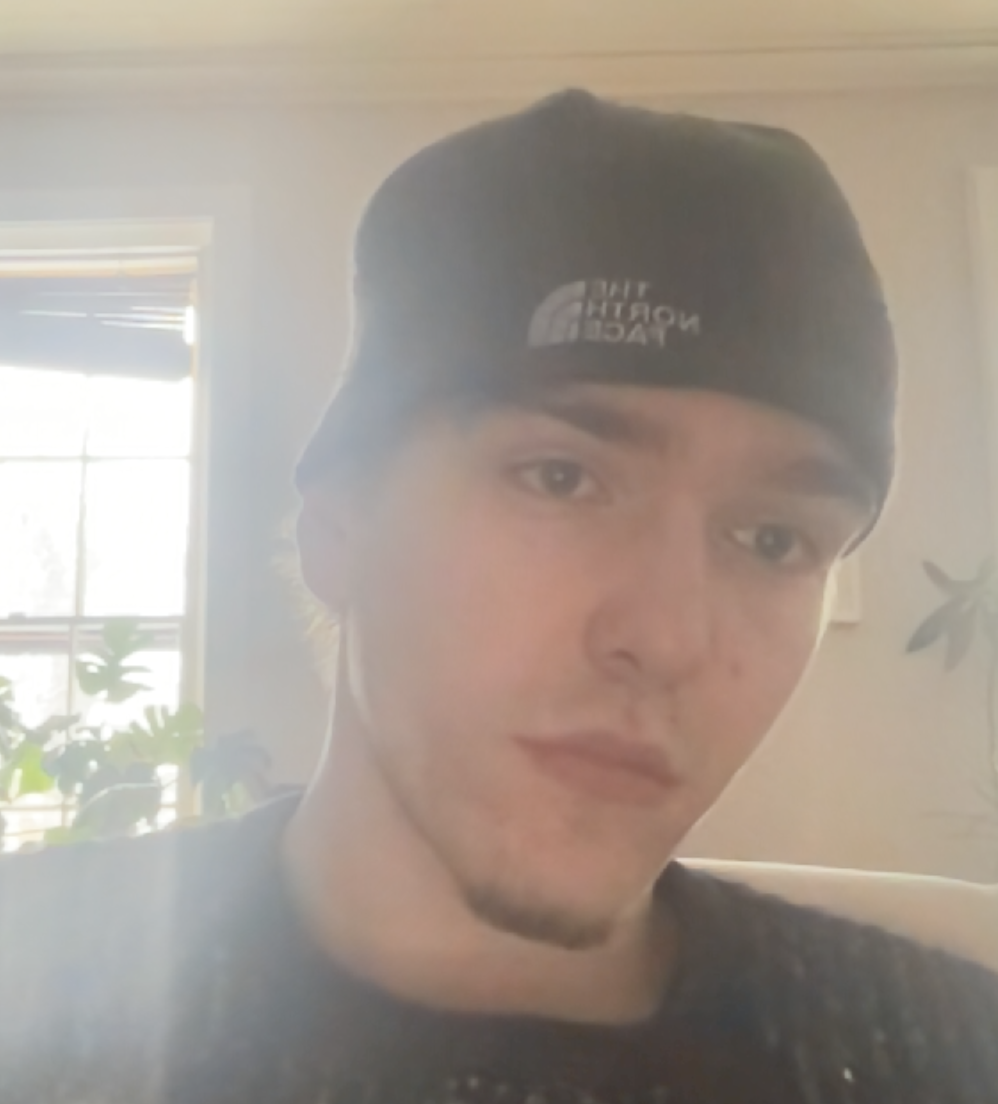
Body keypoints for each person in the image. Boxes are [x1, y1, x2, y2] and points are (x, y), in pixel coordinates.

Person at [1, 89, 996, 1104]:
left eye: (772, 539)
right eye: (559, 478)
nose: (665, 637)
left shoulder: (948, 1055)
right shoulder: (31, 990)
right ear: (335, 531)